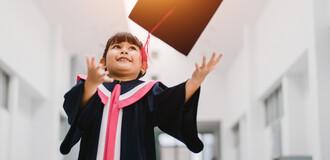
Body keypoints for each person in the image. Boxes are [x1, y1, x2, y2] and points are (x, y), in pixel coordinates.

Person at [60, 32, 222, 160]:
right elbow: (74, 109)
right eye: (117, 46)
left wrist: (194, 81)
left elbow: (173, 102)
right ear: (103, 62)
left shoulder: (149, 91)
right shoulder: (91, 86)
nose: (124, 50)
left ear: (143, 65)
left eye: (132, 48)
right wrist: (91, 86)